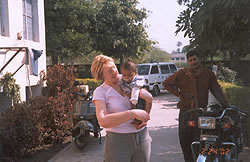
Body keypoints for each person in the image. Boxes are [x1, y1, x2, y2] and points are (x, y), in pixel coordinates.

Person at [162, 50, 229, 162]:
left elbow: (217, 91)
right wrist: (179, 94)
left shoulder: (208, 74)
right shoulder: (181, 74)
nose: (193, 62)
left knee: (200, 141)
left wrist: (226, 107)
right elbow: (166, 83)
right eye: (190, 60)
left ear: (199, 59)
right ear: (188, 62)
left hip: (201, 113)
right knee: (185, 142)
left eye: (195, 59)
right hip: (185, 112)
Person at [91, 54, 152, 162]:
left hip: (142, 137)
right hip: (118, 142)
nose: (115, 72)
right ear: (102, 75)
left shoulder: (129, 80)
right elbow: (103, 121)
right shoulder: (101, 92)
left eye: (114, 67)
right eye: (109, 71)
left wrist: (145, 115)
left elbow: (147, 100)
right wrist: (131, 114)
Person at [120, 60, 153, 125]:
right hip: (132, 96)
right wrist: (128, 94)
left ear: (135, 73)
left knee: (140, 106)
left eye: (130, 75)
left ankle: (143, 119)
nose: (127, 77)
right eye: (124, 75)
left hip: (139, 95)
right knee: (133, 107)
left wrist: (134, 98)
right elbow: (123, 88)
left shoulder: (138, 79)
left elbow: (136, 87)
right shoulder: (122, 80)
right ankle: (138, 120)